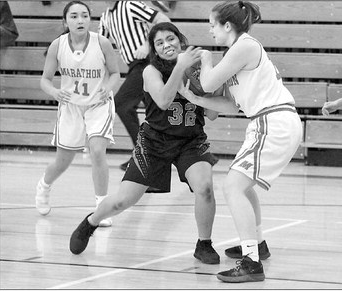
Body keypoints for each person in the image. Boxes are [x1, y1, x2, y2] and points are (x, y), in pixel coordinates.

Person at [69, 22, 221, 265]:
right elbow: (162, 101)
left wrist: (210, 76)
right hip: (154, 142)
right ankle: (92, 221)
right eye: (159, 43)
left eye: (170, 39)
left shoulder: (196, 64)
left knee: (205, 188)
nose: (166, 45)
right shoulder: (150, 71)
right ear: (154, 50)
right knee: (123, 201)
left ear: (180, 40)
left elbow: (212, 114)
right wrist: (180, 67)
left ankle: (204, 243)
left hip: (191, 140)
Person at [178, 1, 302, 283]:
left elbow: (208, 82)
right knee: (243, 187)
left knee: (232, 186)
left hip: (273, 122)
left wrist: (206, 59)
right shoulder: (238, 53)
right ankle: (256, 245)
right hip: (265, 121)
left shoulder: (244, 46)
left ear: (227, 26)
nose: (210, 31)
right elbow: (233, 105)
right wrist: (195, 99)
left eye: (212, 25)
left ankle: (251, 262)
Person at [35, 1, 121, 227]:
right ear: (65, 22)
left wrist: (108, 88)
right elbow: (44, 80)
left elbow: (115, 74)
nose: (80, 20)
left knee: (97, 150)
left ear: (90, 19)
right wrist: (55, 91)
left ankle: (101, 207)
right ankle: (44, 185)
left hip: (98, 105)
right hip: (71, 106)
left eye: (84, 15)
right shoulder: (57, 45)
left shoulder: (102, 42)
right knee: (62, 162)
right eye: (74, 16)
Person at [99, 1, 171, 176]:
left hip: (148, 63)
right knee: (157, 112)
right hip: (135, 66)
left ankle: (143, 154)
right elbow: (99, 46)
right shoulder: (105, 17)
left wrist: (149, 44)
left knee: (122, 104)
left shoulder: (130, 5)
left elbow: (162, 19)